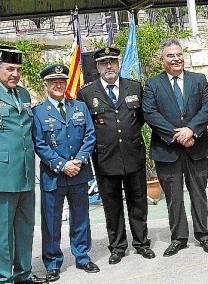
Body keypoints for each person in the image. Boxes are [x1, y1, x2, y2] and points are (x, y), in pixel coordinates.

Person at [77, 47, 155, 264]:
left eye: (112, 61)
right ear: (97, 67)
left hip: (133, 154)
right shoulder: (86, 93)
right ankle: (118, 247)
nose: (109, 66)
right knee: (112, 205)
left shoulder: (134, 87)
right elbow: (86, 127)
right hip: (104, 158)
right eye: (104, 63)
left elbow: (139, 119)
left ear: (118, 64)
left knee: (138, 202)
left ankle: (141, 243)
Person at [143, 39, 208, 257]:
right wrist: (177, 135)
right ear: (162, 60)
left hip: (196, 147)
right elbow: (150, 113)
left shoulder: (199, 79)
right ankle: (179, 238)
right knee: (174, 197)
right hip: (167, 151)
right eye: (170, 56)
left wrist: (191, 130)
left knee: (199, 195)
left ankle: (204, 236)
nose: (176, 59)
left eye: (178, 54)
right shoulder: (152, 84)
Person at [32, 64, 99, 282]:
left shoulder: (79, 107)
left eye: (61, 81)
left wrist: (78, 160)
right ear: (46, 86)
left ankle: (82, 256)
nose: (58, 85)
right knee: (51, 222)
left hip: (79, 172)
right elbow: (40, 144)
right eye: (53, 82)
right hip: (54, 176)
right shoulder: (39, 112)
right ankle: (52, 263)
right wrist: (62, 165)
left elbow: (90, 135)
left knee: (81, 217)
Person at [0, 46, 46, 284]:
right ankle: (4, 277)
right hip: (3, 174)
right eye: (9, 69)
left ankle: (24, 273)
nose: (14, 74)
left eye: (18, 69)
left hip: (26, 172)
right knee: (3, 233)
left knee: (25, 227)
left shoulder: (25, 95)